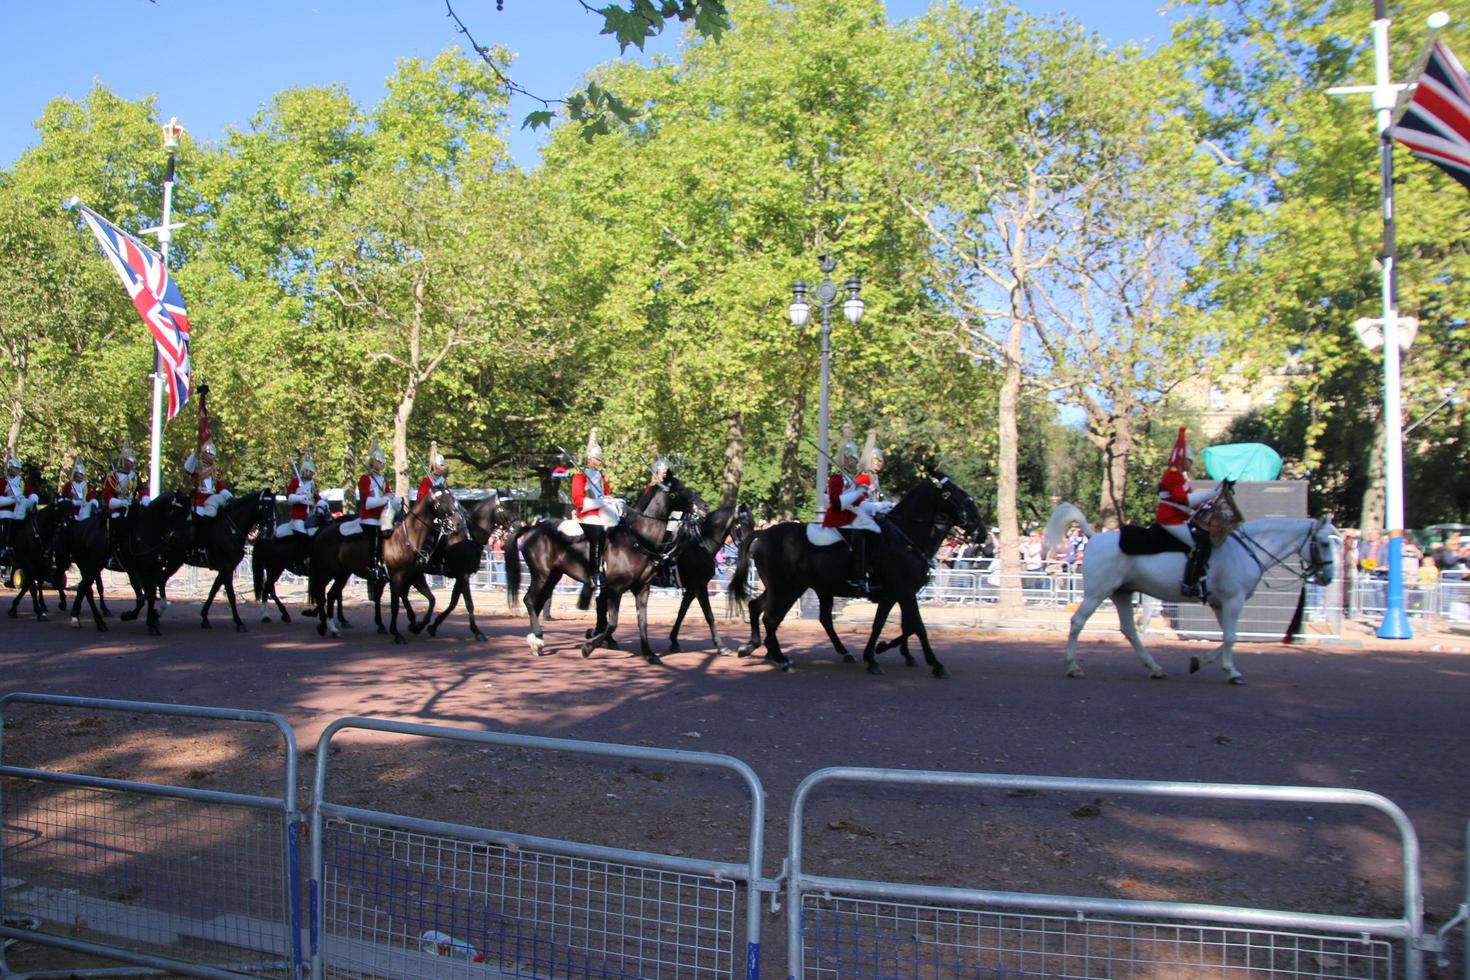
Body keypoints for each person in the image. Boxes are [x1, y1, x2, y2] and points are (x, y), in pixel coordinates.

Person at [1153, 426, 1219, 599]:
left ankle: (1202, 579)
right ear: (1184, 460)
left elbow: (1191, 502)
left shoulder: (1180, 477)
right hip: (1170, 519)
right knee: (1198, 546)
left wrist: (1206, 505)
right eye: (1190, 461)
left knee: (1204, 538)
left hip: (1179, 517)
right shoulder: (1172, 475)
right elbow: (1183, 499)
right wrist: (1210, 494)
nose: (1191, 464)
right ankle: (1188, 584)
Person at [822, 436, 892, 594]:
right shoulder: (843, 477)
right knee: (860, 535)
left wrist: (880, 507)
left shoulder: (853, 478)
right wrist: (875, 507)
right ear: (845, 459)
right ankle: (859, 576)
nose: (855, 461)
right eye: (852, 458)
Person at [570, 428, 619, 591]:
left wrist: (610, 500)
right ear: (590, 459)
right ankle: (593, 571)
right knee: (597, 530)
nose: (600, 462)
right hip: (587, 513)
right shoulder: (579, 476)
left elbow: (606, 493)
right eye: (598, 459)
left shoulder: (600, 476)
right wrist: (601, 502)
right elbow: (578, 501)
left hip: (602, 511)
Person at [358, 439, 392, 582]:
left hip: (382, 516)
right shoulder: (365, 479)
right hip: (369, 517)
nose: (382, 464)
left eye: (383, 462)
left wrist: (393, 498)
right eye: (379, 461)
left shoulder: (383, 480)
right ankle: (372, 567)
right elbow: (367, 503)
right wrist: (383, 500)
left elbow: (388, 493)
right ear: (373, 462)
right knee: (374, 539)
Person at [0, 447, 38, 561]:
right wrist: (12, 500)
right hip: (6, 510)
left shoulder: (22, 482)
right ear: (10, 469)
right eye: (15, 468)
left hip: (21, 509)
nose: (18, 471)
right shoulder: (3, 482)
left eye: (18, 469)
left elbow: (31, 493)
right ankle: (3, 547)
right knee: (7, 520)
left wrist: (33, 499)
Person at [183, 441, 232, 524]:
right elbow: (187, 468)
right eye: (210, 453)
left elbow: (220, 488)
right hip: (198, 501)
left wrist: (229, 496)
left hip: (213, 502)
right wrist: (196, 452)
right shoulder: (197, 465)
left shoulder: (215, 470)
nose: (212, 456)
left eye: (213, 453)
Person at [279, 451, 325, 538]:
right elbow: (289, 496)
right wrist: (299, 498)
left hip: (311, 514)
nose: (311, 474)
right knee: (302, 534)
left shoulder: (312, 483)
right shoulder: (296, 481)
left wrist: (321, 501)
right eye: (310, 472)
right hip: (298, 515)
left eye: (312, 472)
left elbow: (315, 495)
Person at [59, 457, 97, 522]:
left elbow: (90, 497)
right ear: (75, 475)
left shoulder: (87, 486)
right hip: (72, 507)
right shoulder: (69, 485)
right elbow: (64, 495)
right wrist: (71, 496)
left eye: (82, 475)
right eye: (79, 474)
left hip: (83, 508)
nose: (80, 476)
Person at [855, 431, 885, 502]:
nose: (879, 463)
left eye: (880, 461)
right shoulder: (862, 478)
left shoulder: (874, 477)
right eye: (877, 460)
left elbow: (878, 498)